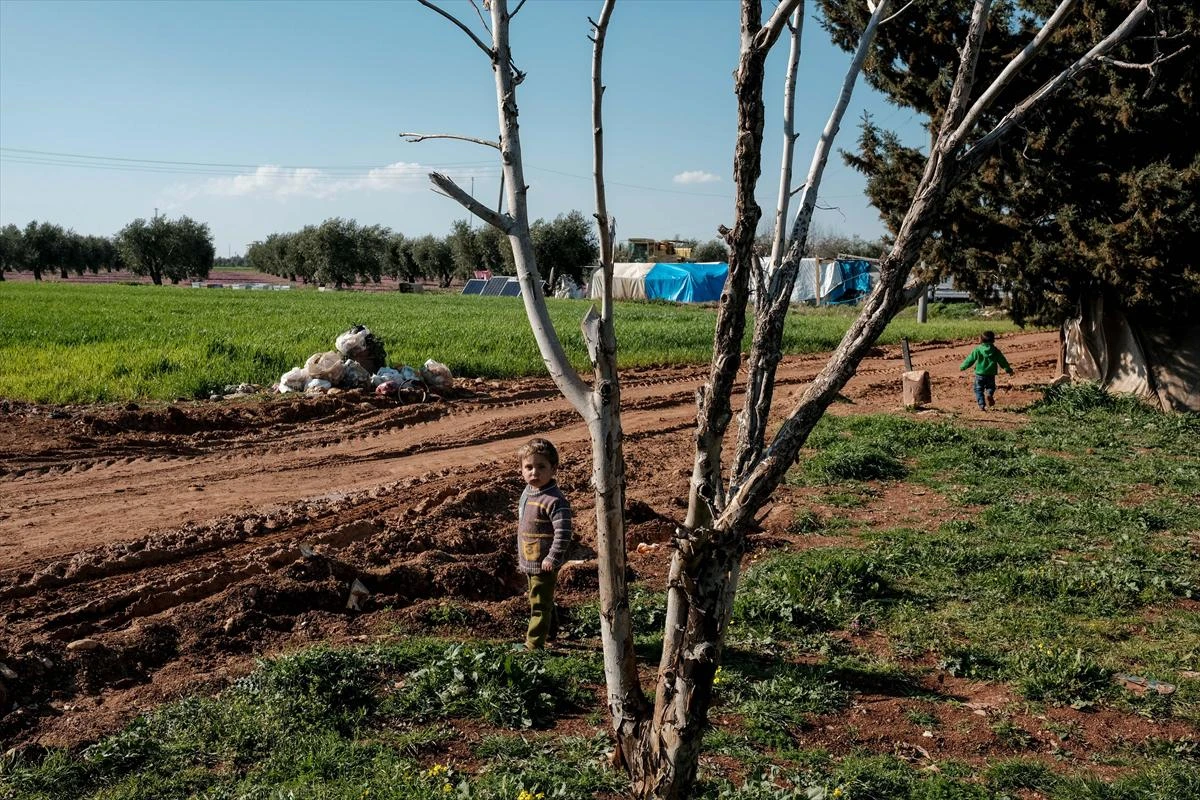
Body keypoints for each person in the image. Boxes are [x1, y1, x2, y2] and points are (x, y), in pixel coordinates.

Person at [516, 437, 573, 650]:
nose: (534, 472)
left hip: (544, 562)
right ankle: (551, 635)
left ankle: (534, 644)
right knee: (540, 598)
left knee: (539, 604)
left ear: (554, 468)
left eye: (541, 467)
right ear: (521, 469)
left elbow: (564, 532)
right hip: (530, 559)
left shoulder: (554, 500)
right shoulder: (527, 493)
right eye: (528, 467)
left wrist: (553, 557)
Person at [960, 330, 1014, 410]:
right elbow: (1002, 361)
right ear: (993, 340)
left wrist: (963, 366)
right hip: (991, 374)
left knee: (978, 389)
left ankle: (982, 404)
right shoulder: (995, 351)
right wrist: (1008, 369)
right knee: (991, 387)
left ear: (981, 340)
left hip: (980, 374)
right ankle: (989, 394)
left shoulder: (978, 350)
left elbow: (970, 359)